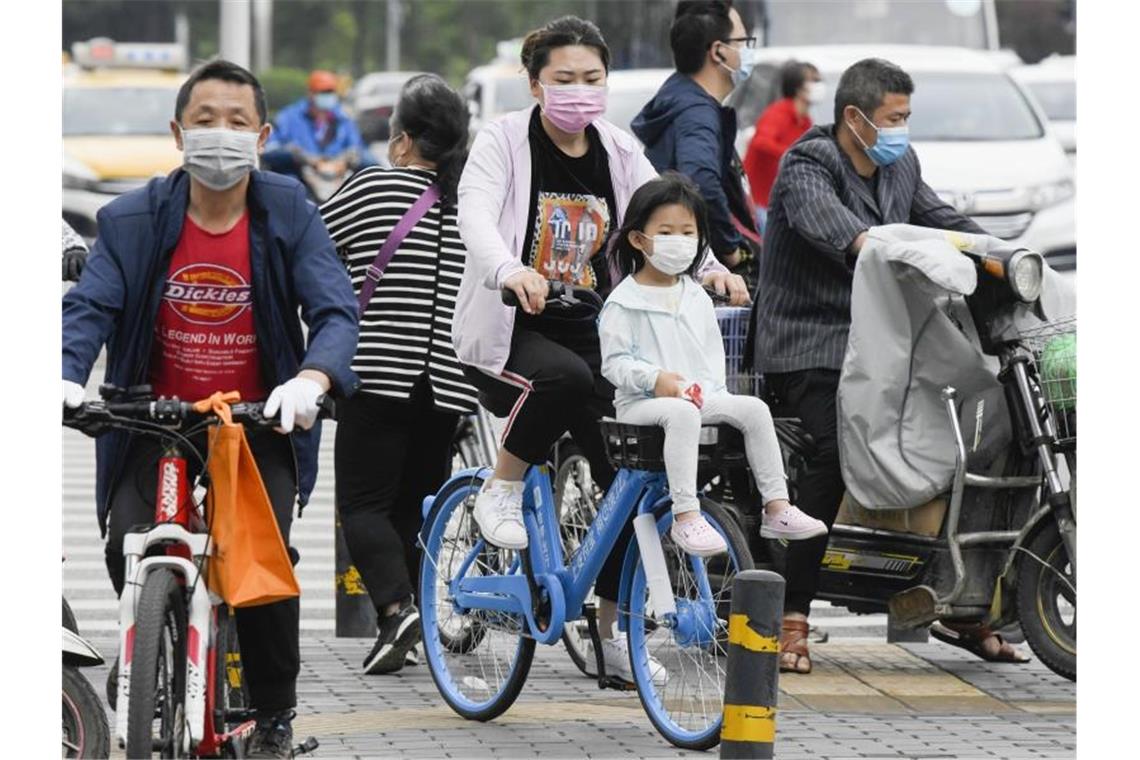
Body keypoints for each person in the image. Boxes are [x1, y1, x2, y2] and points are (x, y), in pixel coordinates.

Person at [61, 60, 360, 758]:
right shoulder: (130, 218)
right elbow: (90, 308)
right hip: (150, 417)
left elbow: (336, 310)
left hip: (253, 421)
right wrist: (64, 375)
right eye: (204, 121)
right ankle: (152, 656)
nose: (219, 136)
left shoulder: (288, 211)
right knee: (126, 544)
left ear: (260, 135)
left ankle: (274, 715)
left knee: (262, 569)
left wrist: (312, 379)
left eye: (235, 123)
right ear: (177, 132)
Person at [452, 15, 747, 684]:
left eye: (592, 78)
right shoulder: (501, 142)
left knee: (628, 479)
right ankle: (499, 489)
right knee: (557, 380)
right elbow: (475, 215)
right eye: (564, 79)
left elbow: (658, 217)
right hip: (514, 324)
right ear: (534, 83)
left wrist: (706, 267)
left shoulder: (617, 149)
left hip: (593, 326)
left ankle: (614, 632)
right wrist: (510, 271)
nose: (579, 91)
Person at [751, 57, 1025, 674]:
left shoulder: (901, 164)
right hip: (810, 344)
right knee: (834, 450)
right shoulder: (808, 165)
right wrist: (925, 257)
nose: (902, 128)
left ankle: (962, 607)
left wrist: (997, 254)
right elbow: (850, 238)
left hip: (886, 343)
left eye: (906, 116)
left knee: (975, 426)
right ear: (855, 118)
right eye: (893, 118)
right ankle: (793, 614)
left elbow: (941, 220)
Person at [320, 74, 478, 676]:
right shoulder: (475, 203)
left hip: (379, 372)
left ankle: (394, 610)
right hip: (450, 384)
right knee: (415, 504)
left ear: (403, 141)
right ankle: (415, 617)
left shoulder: (372, 189)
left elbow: (311, 251)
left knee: (363, 504)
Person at [599, 173, 827, 557]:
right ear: (638, 239)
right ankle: (685, 514)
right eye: (668, 232)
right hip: (640, 404)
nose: (681, 241)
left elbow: (709, 355)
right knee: (683, 414)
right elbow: (615, 364)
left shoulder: (695, 295)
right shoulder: (623, 301)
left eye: (689, 232)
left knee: (753, 408)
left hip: (696, 395)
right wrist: (655, 380)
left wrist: (712, 394)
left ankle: (777, 506)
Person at [631, 0, 762, 279]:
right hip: (709, 271)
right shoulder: (697, 113)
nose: (748, 50)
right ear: (718, 51)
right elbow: (700, 179)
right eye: (743, 41)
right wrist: (731, 250)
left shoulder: (681, 98)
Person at [742, 60, 823, 231]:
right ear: (797, 86)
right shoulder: (778, 113)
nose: (818, 85)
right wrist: (792, 153)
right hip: (758, 202)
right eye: (813, 80)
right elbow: (760, 142)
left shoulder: (806, 121)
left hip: (779, 200)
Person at [261, 69, 376, 180]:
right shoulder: (289, 117)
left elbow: (357, 147)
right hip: (301, 178)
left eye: (330, 92)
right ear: (310, 93)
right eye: (323, 92)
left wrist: (344, 161)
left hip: (338, 176)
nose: (328, 96)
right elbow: (270, 149)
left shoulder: (343, 118)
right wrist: (303, 158)